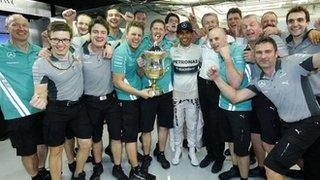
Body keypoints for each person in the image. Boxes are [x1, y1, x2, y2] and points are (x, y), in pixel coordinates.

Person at [208, 36, 320, 180]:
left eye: (268, 51)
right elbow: (235, 97)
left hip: (310, 122)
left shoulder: (294, 62)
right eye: (259, 53)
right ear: (254, 55)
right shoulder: (260, 81)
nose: (263, 56)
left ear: (276, 53)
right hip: (287, 125)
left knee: (272, 166)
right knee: (311, 166)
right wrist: (217, 79)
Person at [31, 21, 92, 180]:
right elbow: (41, 91)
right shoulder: (41, 63)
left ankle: (78, 173)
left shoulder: (76, 47)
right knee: (56, 150)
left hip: (79, 106)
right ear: (49, 40)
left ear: (71, 40)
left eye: (64, 39)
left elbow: (102, 35)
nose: (60, 43)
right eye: (56, 39)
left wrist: (107, 45)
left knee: (86, 144)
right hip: (56, 110)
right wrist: (40, 99)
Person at [71, 17, 127, 180]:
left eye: (103, 32)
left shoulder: (113, 47)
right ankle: (98, 165)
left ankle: (117, 167)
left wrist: (109, 45)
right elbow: (64, 42)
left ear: (107, 36)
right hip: (89, 102)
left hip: (111, 101)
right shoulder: (80, 50)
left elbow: (124, 39)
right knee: (96, 137)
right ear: (89, 33)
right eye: (95, 31)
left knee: (116, 135)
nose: (99, 35)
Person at [0, 14, 50, 180]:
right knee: (28, 150)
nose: (21, 29)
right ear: (7, 28)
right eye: (16, 25)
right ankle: (35, 176)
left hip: (42, 107)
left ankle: (42, 169)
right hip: (18, 112)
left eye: (24, 25)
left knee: (43, 143)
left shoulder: (39, 51)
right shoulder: (1, 52)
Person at [111, 21, 156, 180]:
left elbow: (139, 72)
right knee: (129, 136)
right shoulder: (121, 52)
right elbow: (117, 81)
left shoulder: (139, 49)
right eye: (133, 34)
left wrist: (141, 67)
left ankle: (131, 167)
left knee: (130, 134)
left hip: (136, 96)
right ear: (127, 34)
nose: (136, 38)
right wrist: (140, 93)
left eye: (139, 35)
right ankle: (135, 170)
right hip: (126, 98)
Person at [207, 28, 251, 180]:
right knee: (230, 140)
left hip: (240, 107)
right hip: (224, 105)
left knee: (242, 148)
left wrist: (227, 58)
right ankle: (235, 168)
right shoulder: (219, 53)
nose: (213, 43)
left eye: (217, 39)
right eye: (211, 40)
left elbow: (235, 83)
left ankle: (244, 177)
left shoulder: (237, 51)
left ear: (226, 38)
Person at [138, 19, 173, 172]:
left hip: (165, 92)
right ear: (150, 31)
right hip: (147, 92)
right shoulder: (143, 47)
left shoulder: (171, 48)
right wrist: (140, 65)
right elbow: (139, 73)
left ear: (165, 31)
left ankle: (161, 152)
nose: (158, 31)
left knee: (164, 125)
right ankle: (146, 156)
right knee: (146, 128)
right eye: (155, 28)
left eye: (161, 29)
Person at [196, 13, 226, 174]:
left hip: (217, 85)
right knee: (206, 120)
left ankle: (219, 157)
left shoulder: (226, 41)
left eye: (213, 22)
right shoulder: (201, 41)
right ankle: (210, 153)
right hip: (202, 83)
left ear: (218, 23)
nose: (210, 24)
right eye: (206, 23)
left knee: (217, 122)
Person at [170, 21, 203, 166]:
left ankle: (191, 150)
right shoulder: (171, 50)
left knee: (192, 124)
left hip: (193, 95)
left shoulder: (199, 49)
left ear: (192, 34)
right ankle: (178, 149)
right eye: (182, 33)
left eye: (188, 33)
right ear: (177, 35)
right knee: (177, 125)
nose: (185, 36)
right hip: (177, 95)